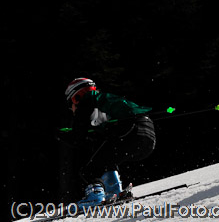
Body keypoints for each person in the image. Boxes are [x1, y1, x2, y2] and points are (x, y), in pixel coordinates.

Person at [64, 78, 156, 208]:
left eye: (71, 103)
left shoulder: (87, 101)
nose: (71, 108)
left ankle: (95, 196)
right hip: (147, 135)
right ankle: (114, 191)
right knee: (105, 160)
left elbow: (78, 135)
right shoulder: (102, 101)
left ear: (78, 96)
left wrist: (65, 136)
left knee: (89, 170)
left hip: (132, 131)